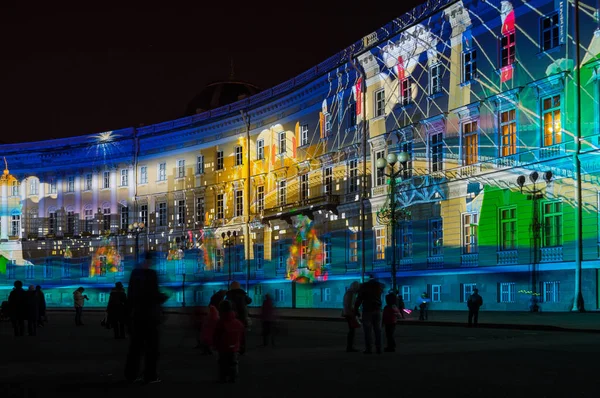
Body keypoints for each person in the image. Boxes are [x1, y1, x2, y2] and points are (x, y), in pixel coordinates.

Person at [124, 251, 168, 384]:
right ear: (150, 260)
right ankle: (150, 375)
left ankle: (131, 375)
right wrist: (163, 298)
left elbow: (130, 296)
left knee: (135, 347)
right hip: (150, 316)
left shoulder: (134, 274)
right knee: (152, 348)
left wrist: (128, 316)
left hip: (137, 316)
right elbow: (153, 294)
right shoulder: (151, 274)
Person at [214, 300, 245, 383]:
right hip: (234, 347)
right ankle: (233, 377)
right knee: (233, 362)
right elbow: (241, 333)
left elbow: (216, 335)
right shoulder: (238, 322)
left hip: (223, 347)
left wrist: (215, 345)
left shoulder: (220, 322)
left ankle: (223, 377)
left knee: (222, 363)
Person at [354, 275, 385, 354]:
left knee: (367, 331)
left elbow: (359, 299)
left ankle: (369, 348)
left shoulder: (364, 286)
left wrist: (356, 309)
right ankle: (379, 348)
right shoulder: (379, 286)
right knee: (378, 330)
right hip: (378, 310)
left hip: (367, 310)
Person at [225, 281, 252, 354]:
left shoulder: (229, 295)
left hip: (232, 317)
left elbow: (226, 305)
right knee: (242, 333)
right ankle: (242, 348)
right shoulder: (242, 295)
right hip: (242, 317)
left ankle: (233, 348)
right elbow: (249, 301)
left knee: (232, 333)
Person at [341, 281, 361, 352]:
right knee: (352, 330)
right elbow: (351, 305)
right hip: (350, 313)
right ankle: (350, 346)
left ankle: (350, 346)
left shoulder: (347, 293)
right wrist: (356, 312)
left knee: (351, 330)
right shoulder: (352, 294)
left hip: (347, 312)